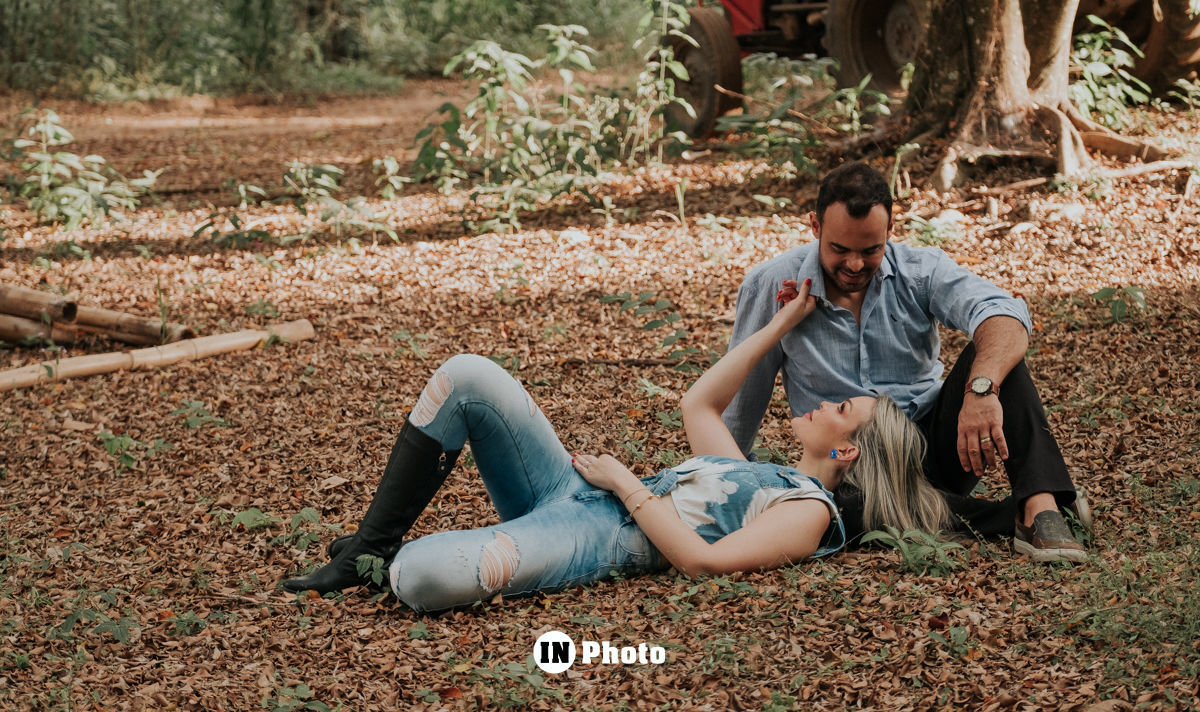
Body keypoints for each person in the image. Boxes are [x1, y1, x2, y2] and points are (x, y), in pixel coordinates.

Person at [280, 280, 950, 611]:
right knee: (468, 374)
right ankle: (364, 550)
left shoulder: (808, 515)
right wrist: (783, 321)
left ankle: (391, 558)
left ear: (848, 452)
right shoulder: (754, 475)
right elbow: (700, 403)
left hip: (595, 538)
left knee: (417, 580)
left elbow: (703, 563)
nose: (818, 401)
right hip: (569, 488)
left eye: (839, 409)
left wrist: (625, 483)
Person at [722, 161, 1089, 562]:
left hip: (933, 449)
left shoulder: (920, 270)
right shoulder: (773, 283)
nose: (855, 265)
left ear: (890, 231)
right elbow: (742, 396)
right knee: (833, 511)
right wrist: (725, 485)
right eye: (839, 249)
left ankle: (1040, 506)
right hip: (845, 463)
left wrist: (981, 389)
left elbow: (1006, 314)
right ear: (815, 226)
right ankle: (1011, 515)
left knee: (1000, 358)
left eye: (870, 250)